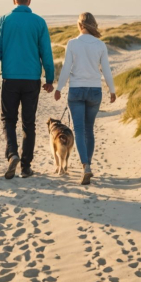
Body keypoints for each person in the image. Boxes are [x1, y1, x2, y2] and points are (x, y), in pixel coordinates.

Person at [0, 0, 55, 179]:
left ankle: (12, 154)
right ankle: (25, 166)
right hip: (32, 80)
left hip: (10, 79)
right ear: (29, 0)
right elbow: (46, 53)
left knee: (8, 119)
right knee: (29, 123)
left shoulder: (4, 20)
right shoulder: (39, 22)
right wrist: (49, 78)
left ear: (14, 0)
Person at [53, 13, 116, 185]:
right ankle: (87, 164)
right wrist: (112, 90)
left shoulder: (72, 43)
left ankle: (85, 166)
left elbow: (66, 68)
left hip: (76, 91)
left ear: (80, 25)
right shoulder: (100, 44)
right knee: (89, 130)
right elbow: (106, 70)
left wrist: (59, 88)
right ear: (92, 25)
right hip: (95, 91)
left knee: (79, 130)